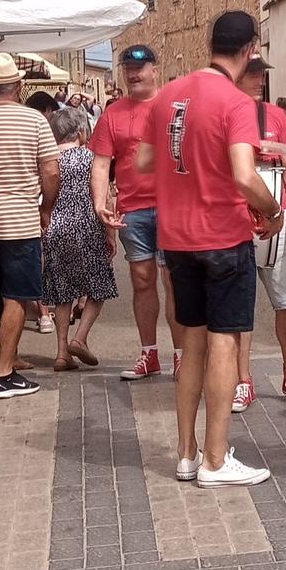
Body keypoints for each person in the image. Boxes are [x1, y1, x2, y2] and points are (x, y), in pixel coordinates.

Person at [135, 9, 284, 489]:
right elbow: (244, 175)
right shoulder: (236, 101)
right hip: (222, 236)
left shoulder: (168, 96)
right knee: (223, 341)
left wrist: (183, 171)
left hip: (176, 239)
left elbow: (143, 160)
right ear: (249, 50)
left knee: (190, 342)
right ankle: (216, 460)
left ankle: (185, 453)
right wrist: (274, 211)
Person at [90, 45, 184, 381]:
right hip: (133, 209)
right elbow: (101, 163)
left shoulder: (174, 106)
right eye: (128, 67)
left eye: (140, 67)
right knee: (142, 282)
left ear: (155, 70)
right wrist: (101, 203)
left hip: (172, 206)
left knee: (173, 282)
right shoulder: (113, 113)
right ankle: (149, 355)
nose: (134, 73)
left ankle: (181, 356)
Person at [232, 54, 286, 412]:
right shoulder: (226, 113)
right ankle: (242, 379)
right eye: (252, 73)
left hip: (277, 217)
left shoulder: (276, 116)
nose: (259, 79)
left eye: (262, 73)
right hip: (236, 219)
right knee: (240, 304)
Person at [0, 52, 60, 400]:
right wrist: (46, 208)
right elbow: (50, 171)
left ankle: (10, 357)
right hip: (18, 220)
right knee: (16, 295)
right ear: (17, 86)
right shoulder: (33, 121)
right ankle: (3, 374)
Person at [42, 108, 117, 370]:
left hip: (55, 228)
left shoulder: (48, 160)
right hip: (88, 228)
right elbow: (105, 197)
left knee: (63, 293)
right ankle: (80, 338)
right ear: (82, 132)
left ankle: (62, 353)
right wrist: (111, 234)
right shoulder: (91, 159)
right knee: (98, 286)